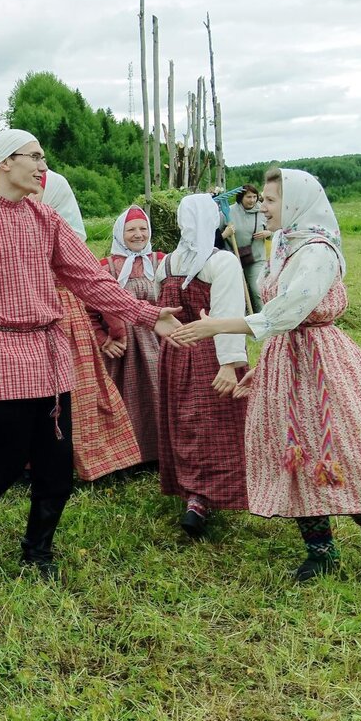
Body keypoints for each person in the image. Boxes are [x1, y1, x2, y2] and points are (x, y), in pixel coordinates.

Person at [0, 130, 181, 577]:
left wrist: (148, 314)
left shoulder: (46, 219)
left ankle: (37, 551)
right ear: (5, 162)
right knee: (6, 454)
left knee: (56, 461)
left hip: (47, 347)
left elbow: (91, 281)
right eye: (35, 157)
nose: (43, 166)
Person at [172, 169, 361, 580]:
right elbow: (280, 323)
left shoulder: (317, 251)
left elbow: (287, 311)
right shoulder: (285, 244)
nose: (263, 209)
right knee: (293, 454)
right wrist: (265, 367)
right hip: (286, 360)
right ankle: (321, 551)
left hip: (322, 363)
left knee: (340, 450)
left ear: (295, 204)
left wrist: (217, 324)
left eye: (272, 201)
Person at [155, 194, 249, 537]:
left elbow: (158, 308)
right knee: (216, 425)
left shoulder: (166, 263)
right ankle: (207, 496)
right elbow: (225, 316)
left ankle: (192, 492)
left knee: (184, 421)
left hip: (175, 352)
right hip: (211, 352)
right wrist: (229, 364)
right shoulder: (221, 262)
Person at [39, 170, 142, 480]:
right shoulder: (16, 228)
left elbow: (95, 286)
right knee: (37, 397)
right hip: (32, 321)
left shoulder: (66, 236)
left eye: (37, 192)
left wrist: (116, 330)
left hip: (64, 319)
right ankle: (39, 462)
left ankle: (97, 460)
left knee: (82, 393)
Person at [96, 205, 164, 464]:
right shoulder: (106, 268)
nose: (138, 234)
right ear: (119, 233)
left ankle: (156, 454)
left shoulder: (160, 261)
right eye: (131, 229)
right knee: (121, 398)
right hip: (120, 348)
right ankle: (122, 457)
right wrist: (103, 340)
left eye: (143, 228)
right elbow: (88, 310)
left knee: (156, 396)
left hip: (156, 344)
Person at [226, 184, 269, 311]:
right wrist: (225, 234)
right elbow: (216, 235)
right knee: (238, 292)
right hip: (234, 259)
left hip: (256, 257)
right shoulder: (228, 212)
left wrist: (268, 233)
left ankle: (263, 319)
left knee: (257, 289)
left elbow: (278, 228)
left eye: (254, 196)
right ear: (241, 197)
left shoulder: (263, 211)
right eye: (248, 197)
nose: (252, 200)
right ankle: (242, 320)